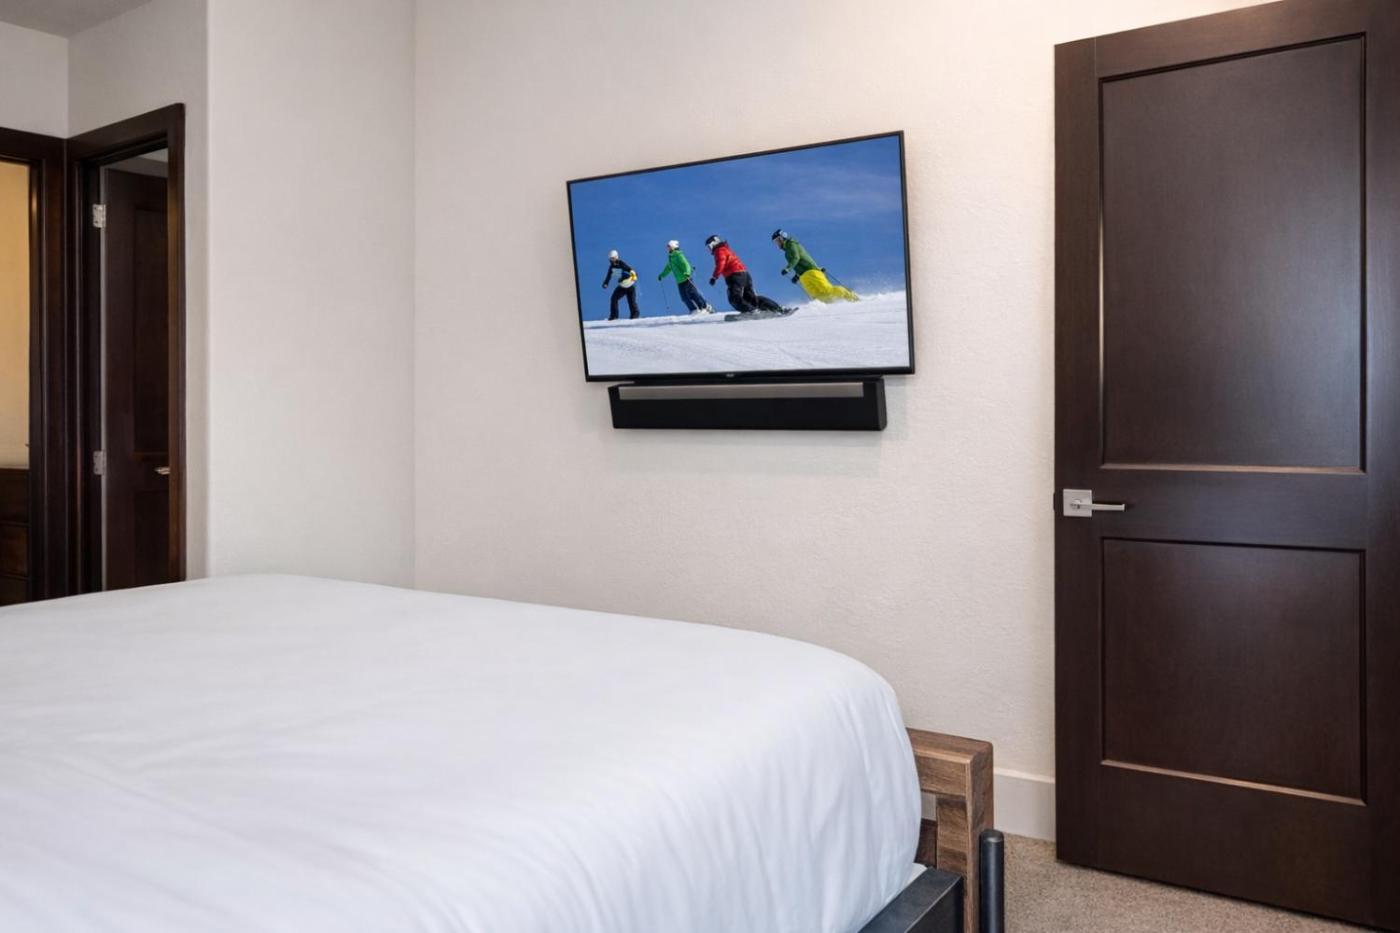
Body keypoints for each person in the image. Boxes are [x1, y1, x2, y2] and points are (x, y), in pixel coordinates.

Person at [771, 229, 859, 302]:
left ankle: (850, 296)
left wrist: (788, 268)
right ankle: (833, 307)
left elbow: (796, 258)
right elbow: (798, 264)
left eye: (778, 240)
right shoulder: (786, 252)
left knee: (827, 290)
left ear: (783, 237)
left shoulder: (792, 244)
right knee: (817, 297)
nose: (777, 243)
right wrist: (797, 276)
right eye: (775, 242)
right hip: (803, 276)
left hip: (811, 271)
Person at [704, 235, 784, 315]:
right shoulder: (726, 249)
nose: (709, 249)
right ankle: (777, 308)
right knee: (751, 299)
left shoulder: (719, 251)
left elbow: (721, 263)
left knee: (734, 298)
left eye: (709, 246)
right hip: (745, 275)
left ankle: (752, 311)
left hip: (735, 276)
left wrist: (714, 277)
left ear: (714, 243)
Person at [657, 240, 714, 315]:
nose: (667, 248)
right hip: (679, 281)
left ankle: (705, 307)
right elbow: (668, 268)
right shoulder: (671, 258)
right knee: (684, 297)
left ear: (673, 247)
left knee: (693, 294)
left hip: (686, 278)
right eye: (667, 247)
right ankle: (694, 310)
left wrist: (687, 273)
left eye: (669, 246)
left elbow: (686, 264)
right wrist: (661, 275)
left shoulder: (678, 255)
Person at [601, 249, 640, 320]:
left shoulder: (621, 263)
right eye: (610, 259)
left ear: (616, 257)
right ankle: (614, 316)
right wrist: (606, 283)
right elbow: (608, 276)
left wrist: (634, 274)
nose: (612, 260)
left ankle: (635, 315)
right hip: (622, 287)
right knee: (614, 298)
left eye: (613, 258)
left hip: (630, 286)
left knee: (631, 301)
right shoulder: (611, 267)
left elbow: (629, 269)